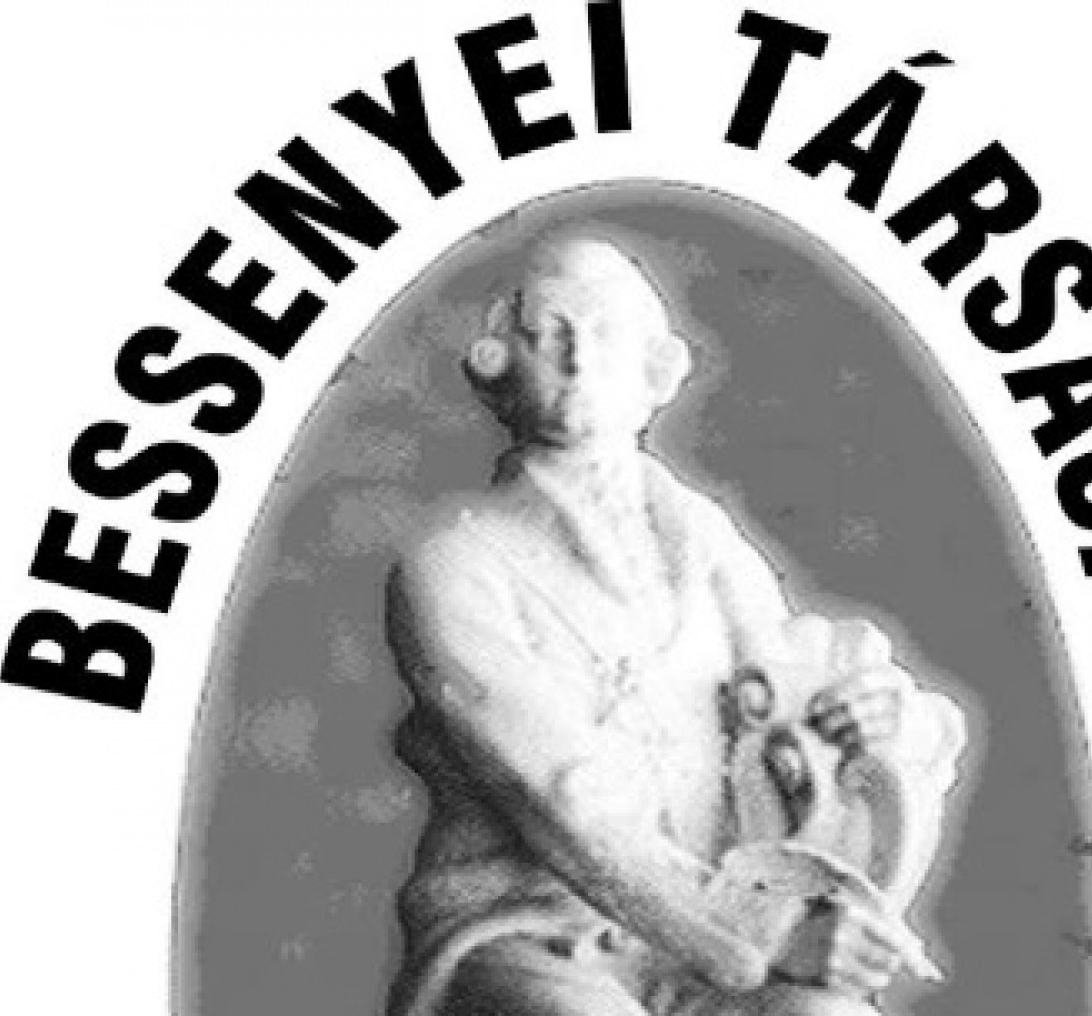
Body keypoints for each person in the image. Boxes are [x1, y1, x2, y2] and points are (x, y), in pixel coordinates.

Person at [385, 231, 966, 1016]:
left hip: (705, 939)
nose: (579, 358)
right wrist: (765, 930)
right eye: (548, 334)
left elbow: (786, 693)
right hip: (535, 935)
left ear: (656, 373)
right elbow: (558, 793)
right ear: (496, 369)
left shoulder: (702, 538)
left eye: (605, 333)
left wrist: (876, 717)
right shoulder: (454, 564)